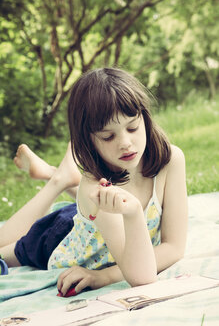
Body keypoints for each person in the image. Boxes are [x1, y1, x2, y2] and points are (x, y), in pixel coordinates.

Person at [0, 67, 188, 296]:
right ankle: (58, 180)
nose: (126, 142)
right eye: (108, 136)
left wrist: (105, 276)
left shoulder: (171, 160)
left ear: (145, 119)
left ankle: (61, 177)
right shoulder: (94, 190)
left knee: (88, 204)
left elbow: (174, 247)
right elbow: (142, 275)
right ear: (88, 141)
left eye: (132, 127)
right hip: (60, 237)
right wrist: (133, 213)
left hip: (93, 216)